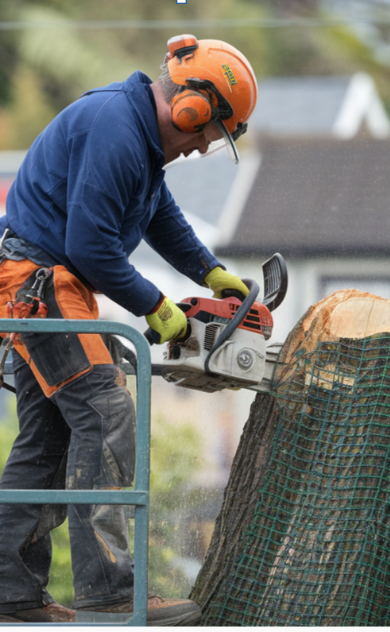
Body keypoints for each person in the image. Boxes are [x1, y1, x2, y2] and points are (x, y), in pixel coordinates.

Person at [0, 34, 257, 625]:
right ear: (191, 107)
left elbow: (158, 214)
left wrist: (212, 273)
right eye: (206, 133)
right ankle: (110, 592)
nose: (200, 146)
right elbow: (91, 245)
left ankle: (10, 592)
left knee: (48, 439)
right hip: (42, 281)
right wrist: (156, 308)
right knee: (107, 410)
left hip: (52, 282)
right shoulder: (117, 126)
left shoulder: (135, 135)